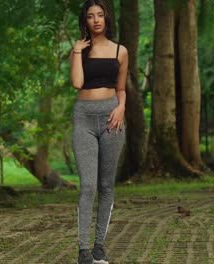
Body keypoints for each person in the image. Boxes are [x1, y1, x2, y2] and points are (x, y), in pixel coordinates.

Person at [69, 0, 128, 263]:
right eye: (91, 16)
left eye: (100, 15)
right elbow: (77, 82)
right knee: (88, 185)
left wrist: (121, 108)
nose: (96, 20)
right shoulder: (81, 49)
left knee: (106, 185)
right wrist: (76, 52)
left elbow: (121, 88)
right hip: (83, 117)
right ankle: (83, 250)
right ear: (86, 20)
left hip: (112, 118)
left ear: (106, 19)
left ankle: (99, 246)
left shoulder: (120, 51)